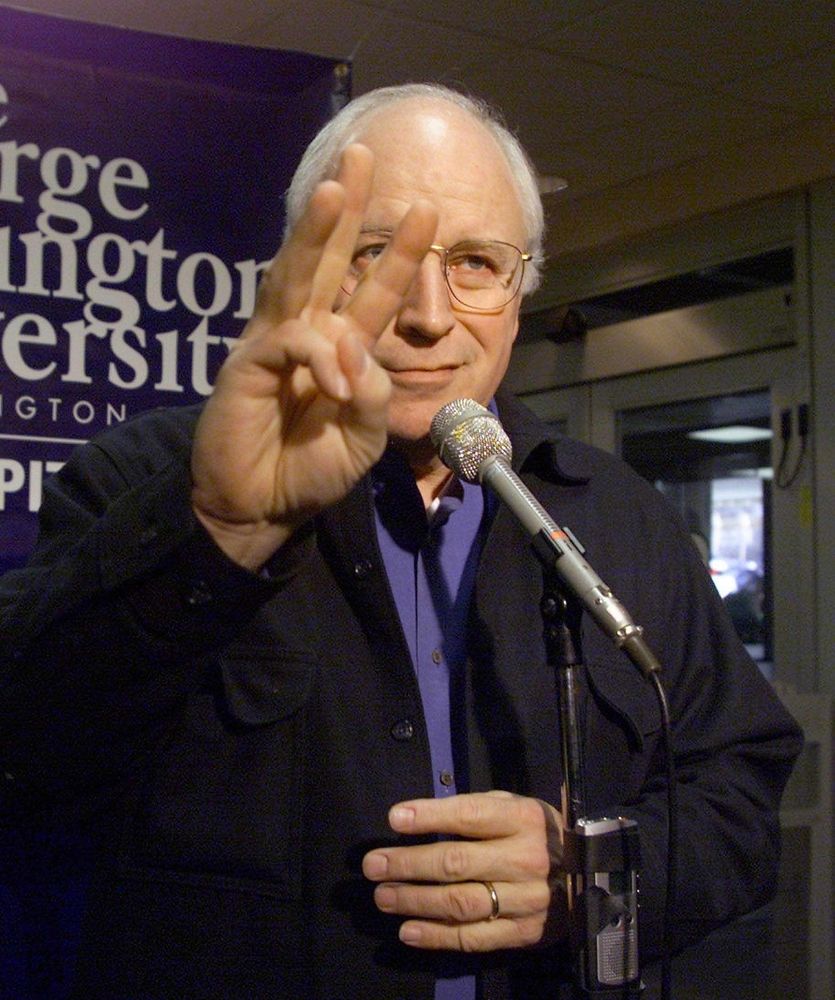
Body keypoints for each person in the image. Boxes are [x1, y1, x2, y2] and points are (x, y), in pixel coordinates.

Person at [0, 84, 801, 1000]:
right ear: (302, 271)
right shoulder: (148, 481)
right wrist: (219, 534)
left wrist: (596, 878)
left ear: (519, 291)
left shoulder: (619, 514)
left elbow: (737, 797)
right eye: (377, 254)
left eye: (475, 262)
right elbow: (26, 769)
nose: (426, 313)